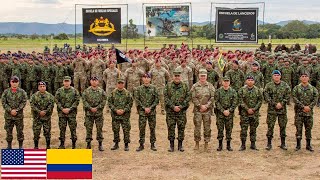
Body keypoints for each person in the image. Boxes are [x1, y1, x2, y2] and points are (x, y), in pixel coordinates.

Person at [164, 69, 190, 152]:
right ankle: (171, 145)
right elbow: (165, 97)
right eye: (175, 76)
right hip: (171, 111)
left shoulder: (185, 86)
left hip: (181, 111)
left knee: (181, 128)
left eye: (178, 76)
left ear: (180, 77)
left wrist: (181, 106)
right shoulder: (168, 86)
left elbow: (188, 97)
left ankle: (180, 145)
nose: (177, 77)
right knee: (171, 127)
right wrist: (173, 107)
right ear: (173, 77)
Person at [264, 70, 291, 150]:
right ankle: (269, 144)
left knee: (283, 126)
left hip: (282, 110)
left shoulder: (285, 85)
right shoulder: (268, 85)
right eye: (275, 75)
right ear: (272, 76)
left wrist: (282, 103)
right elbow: (266, 96)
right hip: (272, 110)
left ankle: (283, 144)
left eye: (278, 75)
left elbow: (288, 95)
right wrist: (275, 104)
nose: (276, 76)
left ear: (280, 76)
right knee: (270, 126)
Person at [292, 72, 318, 151]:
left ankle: (308, 145)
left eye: (306, 76)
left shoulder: (313, 89)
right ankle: (298, 145)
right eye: (302, 76)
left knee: (308, 129)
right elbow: (294, 98)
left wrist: (309, 107)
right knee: (298, 129)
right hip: (299, 113)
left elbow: (315, 98)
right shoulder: (296, 88)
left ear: (308, 78)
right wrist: (303, 106)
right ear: (300, 78)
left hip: (309, 113)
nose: (304, 78)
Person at [190, 69, 215, 151]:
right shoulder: (195, 86)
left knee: (207, 127)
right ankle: (196, 143)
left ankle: (206, 143)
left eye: (204, 76)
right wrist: (200, 106)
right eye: (201, 76)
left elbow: (212, 97)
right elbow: (193, 97)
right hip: (198, 110)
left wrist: (206, 106)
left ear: (206, 76)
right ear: (199, 76)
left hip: (207, 110)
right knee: (197, 127)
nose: (203, 77)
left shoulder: (210, 86)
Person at [134, 73, 159, 152]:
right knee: (142, 128)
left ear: (150, 79)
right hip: (142, 112)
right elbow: (137, 100)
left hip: (152, 112)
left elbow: (156, 100)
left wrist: (150, 108)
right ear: (142, 79)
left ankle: (153, 144)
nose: (146, 79)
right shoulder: (138, 89)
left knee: (152, 128)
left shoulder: (154, 88)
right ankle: (141, 145)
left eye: (148, 77)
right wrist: (144, 108)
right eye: (144, 77)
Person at [1, 76, 27, 149]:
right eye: (13, 82)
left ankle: (20, 146)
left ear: (18, 82)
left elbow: (24, 102)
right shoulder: (6, 92)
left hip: (18, 116)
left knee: (20, 131)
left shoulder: (22, 92)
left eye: (16, 82)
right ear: (10, 82)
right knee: (8, 131)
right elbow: (3, 102)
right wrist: (10, 110)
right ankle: (9, 146)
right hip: (9, 116)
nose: (14, 83)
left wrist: (17, 110)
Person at [108, 76, 133, 151]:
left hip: (125, 115)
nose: (120, 85)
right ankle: (116, 144)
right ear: (117, 84)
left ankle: (126, 144)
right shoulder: (113, 93)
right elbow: (109, 103)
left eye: (122, 83)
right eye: (119, 83)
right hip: (115, 115)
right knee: (115, 130)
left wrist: (124, 110)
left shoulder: (128, 93)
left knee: (126, 130)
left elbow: (130, 103)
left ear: (124, 84)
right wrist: (115, 110)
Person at [238, 76, 263, 151]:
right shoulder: (242, 90)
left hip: (254, 113)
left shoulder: (257, 90)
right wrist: (247, 109)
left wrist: (254, 109)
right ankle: (243, 145)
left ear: (254, 82)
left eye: (252, 80)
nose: (250, 81)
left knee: (253, 129)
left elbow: (260, 101)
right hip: (244, 113)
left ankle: (253, 144)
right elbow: (240, 100)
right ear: (246, 81)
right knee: (243, 129)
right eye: (248, 80)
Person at [55, 76, 80, 149]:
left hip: (71, 114)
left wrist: (70, 109)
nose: (66, 83)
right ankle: (62, 144)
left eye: (68, 81)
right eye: (65, 81)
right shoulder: (59, 91)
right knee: (62, 129)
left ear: (70, 82)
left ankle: (73, 144)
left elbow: (77, 101)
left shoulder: (74, 91)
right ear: (63, 82)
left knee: (73, 129)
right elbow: (56, 100)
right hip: (62, 114)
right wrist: (62, 109)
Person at [82, 76, 107, 151]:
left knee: (99, 129)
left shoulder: (101, 91)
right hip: (89, 114)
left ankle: (100, 144)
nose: (94, 82)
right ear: (90, 82)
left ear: (98, 82)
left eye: (95, 80)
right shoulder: (86, 91)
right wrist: (90, 108)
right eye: (92, 80)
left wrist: (97, 108)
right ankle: (88, 144)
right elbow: (84, 100)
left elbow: (104, 100)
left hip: (98, 114)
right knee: (88, 129)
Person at [214, 76, 238, 151]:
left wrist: (229, 110)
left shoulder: (233, 91)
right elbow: (216, 102)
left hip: (229, 114)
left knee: (229, 129)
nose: (226, 82)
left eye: (227, 81)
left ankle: (228, 145)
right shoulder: (218, 91)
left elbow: (235, 102)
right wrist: (223, 110)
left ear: (229, 82)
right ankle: (220, 145)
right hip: (220, 114)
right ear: (222, 82)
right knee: (220, 129)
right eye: (225, 81)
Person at [30, 81, 55, 149]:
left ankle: (48, 146)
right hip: (37, 118)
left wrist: (45, 111)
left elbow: (51, 105)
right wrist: (39, 112)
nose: (42, 88)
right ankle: (36, 146)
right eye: (40, 86)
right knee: (36, 132)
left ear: (46, 87)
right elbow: (32, 105)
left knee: (47, 132)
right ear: (38, 87)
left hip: (46, 118)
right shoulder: (34, 96)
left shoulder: (50, 96)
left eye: (43, 86)